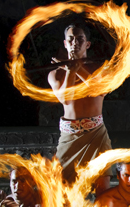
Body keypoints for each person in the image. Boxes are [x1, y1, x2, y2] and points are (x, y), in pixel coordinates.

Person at [48, 23, 112, 194]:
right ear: (65, 43)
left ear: (87, 44)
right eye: (71, 39)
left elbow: (100, 90)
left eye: (80, 39)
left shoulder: (100, 69)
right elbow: (65, 100)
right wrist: (70, 70)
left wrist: (76, 68)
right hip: (70, 136)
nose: (75, 42)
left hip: (96, 135)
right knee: (62, 190)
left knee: (102, 189)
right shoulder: (55, 73)